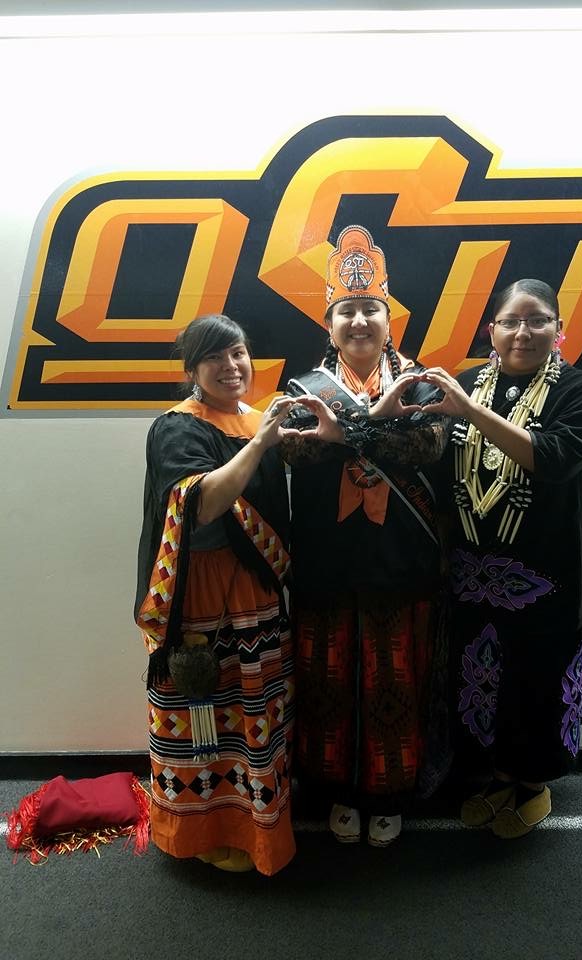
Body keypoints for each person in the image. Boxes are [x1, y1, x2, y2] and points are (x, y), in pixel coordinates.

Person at [420, 279, 582, 838]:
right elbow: (436, 473)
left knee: (536, 680)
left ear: (558, 330)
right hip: (472, 575)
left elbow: (554, 458)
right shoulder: (466, 386)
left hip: (544, 575)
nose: (523, 332)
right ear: (492, 330)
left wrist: (468, 412)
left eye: (538, 320)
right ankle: (496, 776)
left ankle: (533, 783)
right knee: (480, 679)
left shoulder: (581, 391)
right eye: (510, 321)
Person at [282, 225, 450, 847]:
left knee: (395, 676)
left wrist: (348, 433)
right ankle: (336, 790)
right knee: (327, 678)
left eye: (370, 309)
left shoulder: (423, 384)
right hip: (328, 559)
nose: (358, 320)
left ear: (388, 320)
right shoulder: (303, 390)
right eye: (346, 310)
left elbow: (430, 444)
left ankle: (391, 791)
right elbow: (295, 451)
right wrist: (378, 426)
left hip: (401, 558)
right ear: (330, 325)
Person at [134, 314, 298, 874]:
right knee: (204, 717)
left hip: (255, 589)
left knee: (257, 711)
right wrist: (263, 441)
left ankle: (258, 826)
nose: (230, 366)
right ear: (192, 369)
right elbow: (201, 504)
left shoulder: (258, 419)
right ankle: (201, 831)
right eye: (214, 357)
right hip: (201, 595)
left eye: (238, 353)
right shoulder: (177, 427)